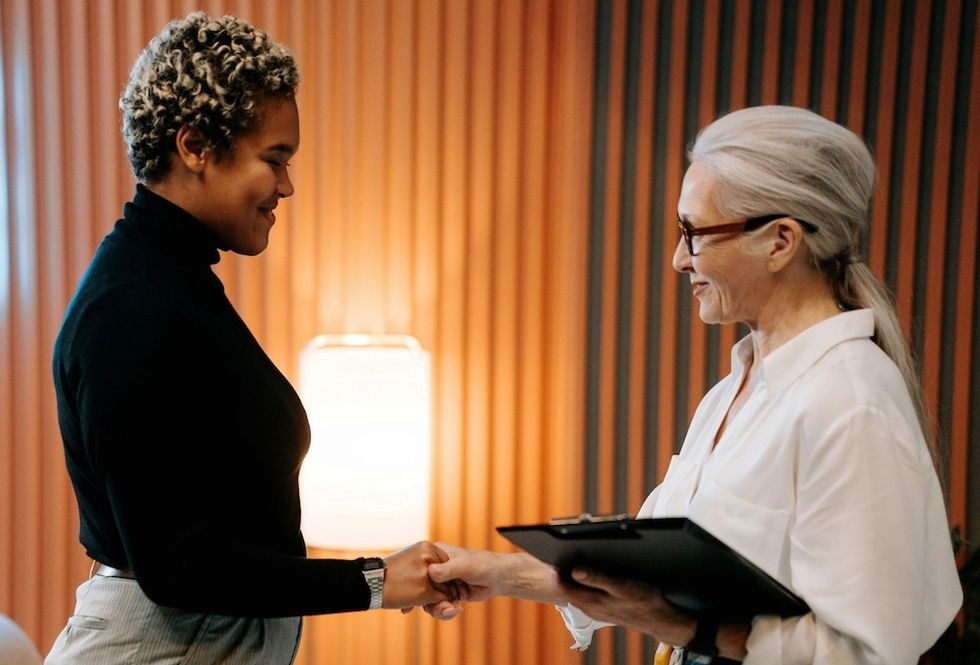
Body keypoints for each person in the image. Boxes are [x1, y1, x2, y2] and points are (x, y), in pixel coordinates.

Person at [424, 106, 962, 664]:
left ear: (780, 241)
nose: (680, 259)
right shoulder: (734, 390)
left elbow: (867, 656)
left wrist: (684, 628)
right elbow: (650, 576)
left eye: (694, 233)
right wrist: (503, 573)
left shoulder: (849, 405)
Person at [46, 12, 450, 664]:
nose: (287, 185)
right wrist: (372, 581)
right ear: (195, 146)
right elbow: (177, 564)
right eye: (275, 159)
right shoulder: (130, 310)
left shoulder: (173, 283)